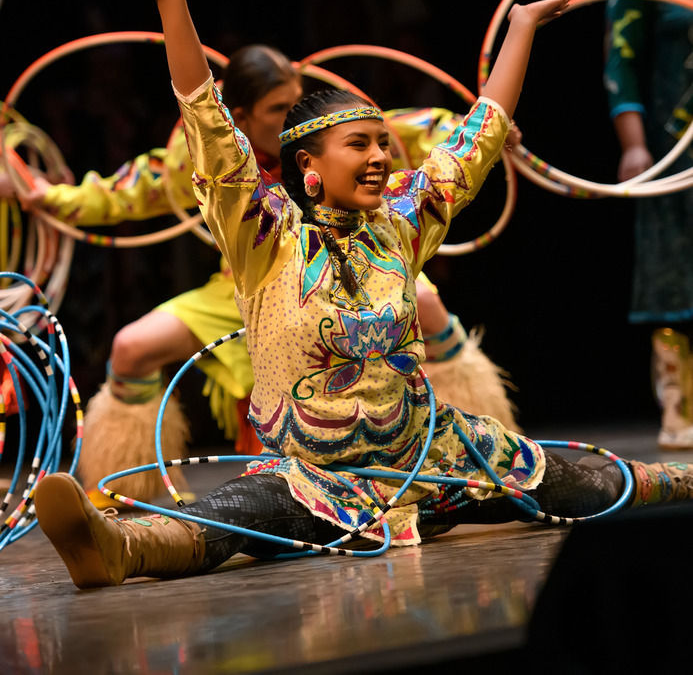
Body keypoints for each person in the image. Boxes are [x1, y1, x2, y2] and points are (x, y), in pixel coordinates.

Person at [35, 0, 693, 592]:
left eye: (383, 142)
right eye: (359, 144)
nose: (380, 155)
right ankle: (118, 544)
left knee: (580, 478)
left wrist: (521, 25)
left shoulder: (403, 225)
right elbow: (206, 120)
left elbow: (480, 130)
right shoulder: (264, 236)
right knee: (235, 515)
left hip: (433, 462)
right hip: (317, 481)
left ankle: (684, 479)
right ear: (309, 168)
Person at [18, 51, 520, 510]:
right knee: (130, 347)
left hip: (352, 267)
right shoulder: (202, 157)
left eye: (295, 103)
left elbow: (429, 132)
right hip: (253, 277)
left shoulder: (336, 136)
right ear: (241, 118)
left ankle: (469, 460)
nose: (294, 118)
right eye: (278, 109)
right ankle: (119, 491)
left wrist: (494, 136)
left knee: (428, 309)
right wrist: (48, 197)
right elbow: (126, 191)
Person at [604, 0, 693, 449]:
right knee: (673, 282)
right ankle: (679, 410)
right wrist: (636, 149)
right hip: (671, 157)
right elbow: (621, 70)